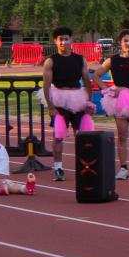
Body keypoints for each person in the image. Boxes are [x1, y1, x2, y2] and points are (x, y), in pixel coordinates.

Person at [40, 26, 94, 182]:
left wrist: (89, 101)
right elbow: (46, 85)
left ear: (71, 40)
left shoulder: (80, 59)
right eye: (60, 39)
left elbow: (86, 81)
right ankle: (58, 168)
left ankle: (85, 165)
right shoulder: (51, 61)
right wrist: (50, 107)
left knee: (82, 135)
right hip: (59, 99)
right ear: (55, 42)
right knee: (58, 135)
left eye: (66, 38)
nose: (64, 42)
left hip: (77, 98)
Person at [97, 31, 129, 180]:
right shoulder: (112, 60)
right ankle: (123, 168)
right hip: (120, 101)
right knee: (122, 136)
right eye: (125, 40)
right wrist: (107, 90)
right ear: (120, 43)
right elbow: (96, 75)